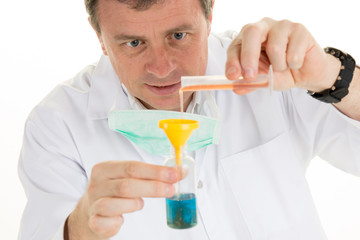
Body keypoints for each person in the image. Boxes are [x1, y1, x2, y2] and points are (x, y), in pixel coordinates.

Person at [18, 0, 360, 239]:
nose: (162, 67)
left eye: (178, 36)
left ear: (209, 16)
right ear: (101, 39)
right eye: (133, 43)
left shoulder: (268, 71)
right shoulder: (57, 126)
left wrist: (333, 75)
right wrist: (79, 229)